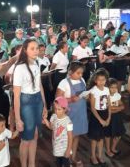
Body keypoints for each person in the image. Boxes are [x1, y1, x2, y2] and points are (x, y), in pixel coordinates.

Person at [12, 39, 48, 167]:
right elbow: (16, 96)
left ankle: (31, 164)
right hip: (26, 102)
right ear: (25, 50)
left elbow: (40, 86)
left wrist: (45, 105)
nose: (36, 51)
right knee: (26, 138)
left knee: (35, 134)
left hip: (37, 100)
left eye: (37, 48)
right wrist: (17, 120)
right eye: (32, 48)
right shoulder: (19, 68)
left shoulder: (36, 63)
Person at [56, 61, 88, 166]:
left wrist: (86, 96)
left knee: (76, 136)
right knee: (68, 138)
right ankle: (66, 160)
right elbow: (57, 100)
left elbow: (83, 93)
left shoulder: (82, 80)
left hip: (80, 113)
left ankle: (72, 157)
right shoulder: (64, 83)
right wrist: (70, 99)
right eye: (78, 73)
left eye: (81, 73)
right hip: (70, 114)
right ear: (70, 72)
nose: (80, 75)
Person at [87, 68, 111, 165]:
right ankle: (93, 156)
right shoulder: (93, 91)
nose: (101, 82)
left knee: (101, 138)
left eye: (103, 80)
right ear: (95, 80)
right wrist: (100, 120)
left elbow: (109, 104)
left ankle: (100, 155)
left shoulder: (107, 89)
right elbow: (92, 108)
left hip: (105, 114)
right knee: (94, 138)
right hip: (96, 116)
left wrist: (109, 117)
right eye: (99, 80)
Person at [42, 97, 73, 167]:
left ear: (65, 109)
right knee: (58, 163)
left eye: (59, 109)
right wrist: (45, 120)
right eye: (55, 109)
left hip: (65, 148)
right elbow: (51, 127)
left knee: (66, 164)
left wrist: (68, 150)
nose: (56, 111)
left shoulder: (68, 122)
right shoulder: (54, 116)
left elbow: (70, 137)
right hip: (57, 147)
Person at [105, 78, 126, 157]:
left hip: (117, 117)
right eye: (112, 87)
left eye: (115, 87)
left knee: (119, 133)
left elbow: (122, 105)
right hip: (109, 117)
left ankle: (113, 148)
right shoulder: (106, 96)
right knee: (108, 135)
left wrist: (116, 108)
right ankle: (107, 150)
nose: (114, 89)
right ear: (107, 87)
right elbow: (108, 109)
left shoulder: (117, 95)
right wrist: (118, 108)